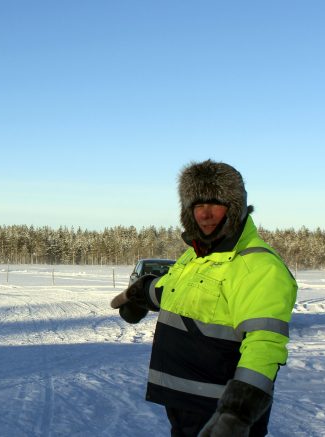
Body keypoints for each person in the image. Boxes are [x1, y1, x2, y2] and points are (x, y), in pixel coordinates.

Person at [110, 159, 297, 437]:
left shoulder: (258, 266)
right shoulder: (198, 255)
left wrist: (235, 416)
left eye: (215, 204)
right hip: (187, 405)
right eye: (198, 205)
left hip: (218, 413)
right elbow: (173, 290)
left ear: (234, 207)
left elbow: (265, 344)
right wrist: (140, 294)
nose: (205, 214)